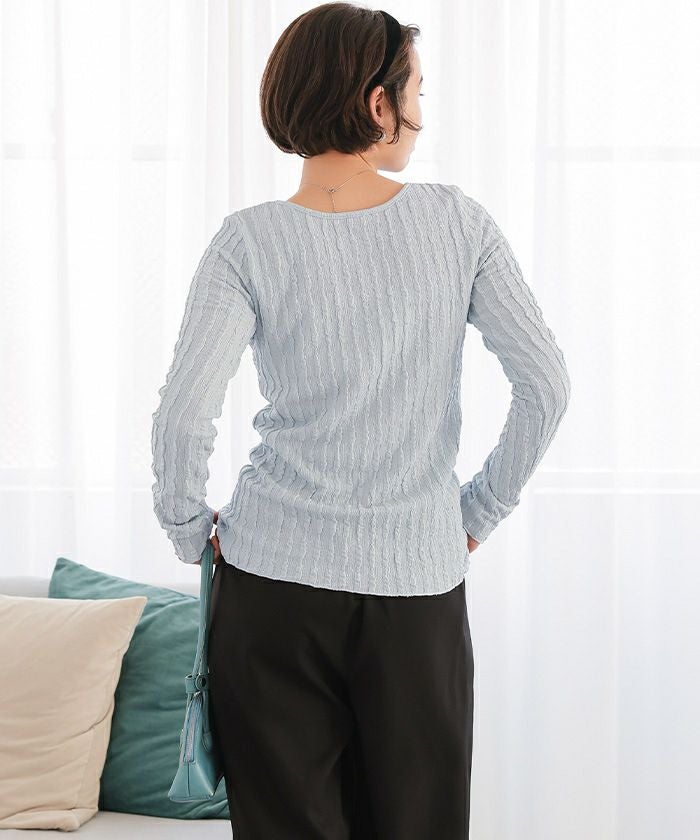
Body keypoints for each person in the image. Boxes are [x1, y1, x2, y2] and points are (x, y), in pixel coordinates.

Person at [150, 4, 571, 838]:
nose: (421, 112)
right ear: (378, 104)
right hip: (415, 590)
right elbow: (546, 386)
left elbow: (183, 415)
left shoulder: (246, 242)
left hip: (268, 589)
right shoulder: (457, 224)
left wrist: (189, 530)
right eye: (416, 92)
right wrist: (475, 514)